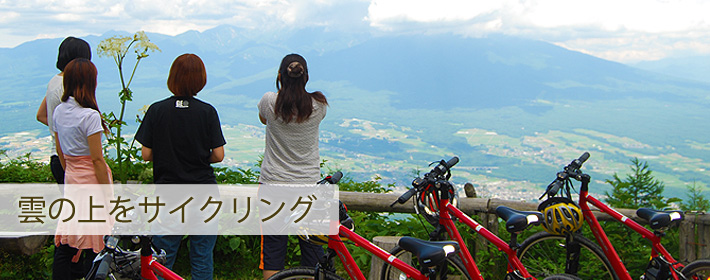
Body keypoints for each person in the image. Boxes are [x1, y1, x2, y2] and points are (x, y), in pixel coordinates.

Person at [135, 53, 226, 280]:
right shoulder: (207, 111)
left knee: (163, 256)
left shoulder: (157, 110)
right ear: (200, 80)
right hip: (204, 193)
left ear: (172, 77)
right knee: (202, 255)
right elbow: (219, 155)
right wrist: (200, 156)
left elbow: (146, 154)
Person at [258, 53, 329, 279]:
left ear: (280, 75)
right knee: (313, 249)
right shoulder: (318, 105)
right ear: (306, 77)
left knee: (273, 250)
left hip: (273, 185)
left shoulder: (269, 101)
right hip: (309, 187)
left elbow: (263, 119)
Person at [52, 58, 113, 279]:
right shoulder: (90, 116)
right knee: (95, 243)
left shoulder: (59, 110)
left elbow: (61, 151)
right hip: (92, 183)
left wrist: (71, 173)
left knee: (69, 238)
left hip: (73, 179)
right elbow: (97, 160)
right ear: (90, 83)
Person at [36, 37, 92, 185]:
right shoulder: (69, 85)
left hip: (57, 156)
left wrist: (61, 129)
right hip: (72, 159)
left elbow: (41, 115)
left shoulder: (54, 81)